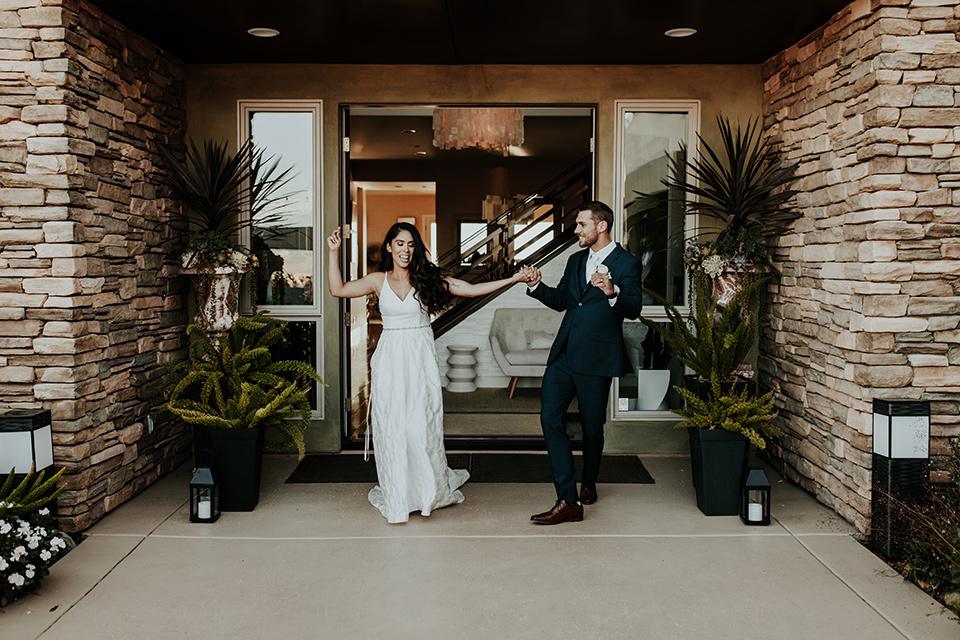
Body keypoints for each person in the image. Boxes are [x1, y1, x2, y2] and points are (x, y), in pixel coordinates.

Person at [327, 222, 534, 524]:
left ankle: (426, 490)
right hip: (390, 360)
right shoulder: (377, 280)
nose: (405, 250)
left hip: (419, 358)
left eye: (411, 245)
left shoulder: (427, 278)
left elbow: (472, 289)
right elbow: (338, 289)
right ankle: (399, 492)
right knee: (393, 425)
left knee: (420, 425)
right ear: (389, 247)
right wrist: (333, 253)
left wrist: (514, 279)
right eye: (399, 244)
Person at [524, 201, 643, 524]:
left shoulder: (627, 262)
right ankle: (568, 499)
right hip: (563, 355)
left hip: (597, 357)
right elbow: (564, 300)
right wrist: (535, 285)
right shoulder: (576, 260)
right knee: (550, 419)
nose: (576, 230)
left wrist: (612, 290)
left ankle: (588, 481)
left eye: (581, 224)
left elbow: (633, 306)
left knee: (592, 428)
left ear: (601, 226)